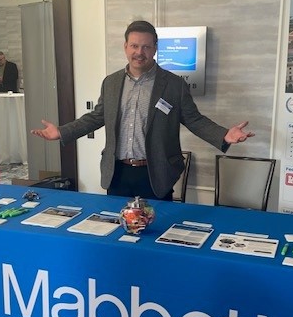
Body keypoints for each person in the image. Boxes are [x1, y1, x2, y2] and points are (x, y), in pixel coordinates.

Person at [31, 20, 254, 201]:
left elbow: (194, 120)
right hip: (117, 172)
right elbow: (97, 116)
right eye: (135, 46)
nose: (140, 52)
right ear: (125, 47)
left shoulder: (173, 85)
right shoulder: (111, 82)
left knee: (157, 230)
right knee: (118, 230)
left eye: (146, 46)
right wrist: (62, 131)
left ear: (155, 48)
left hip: (155, 172)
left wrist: (224, 134)